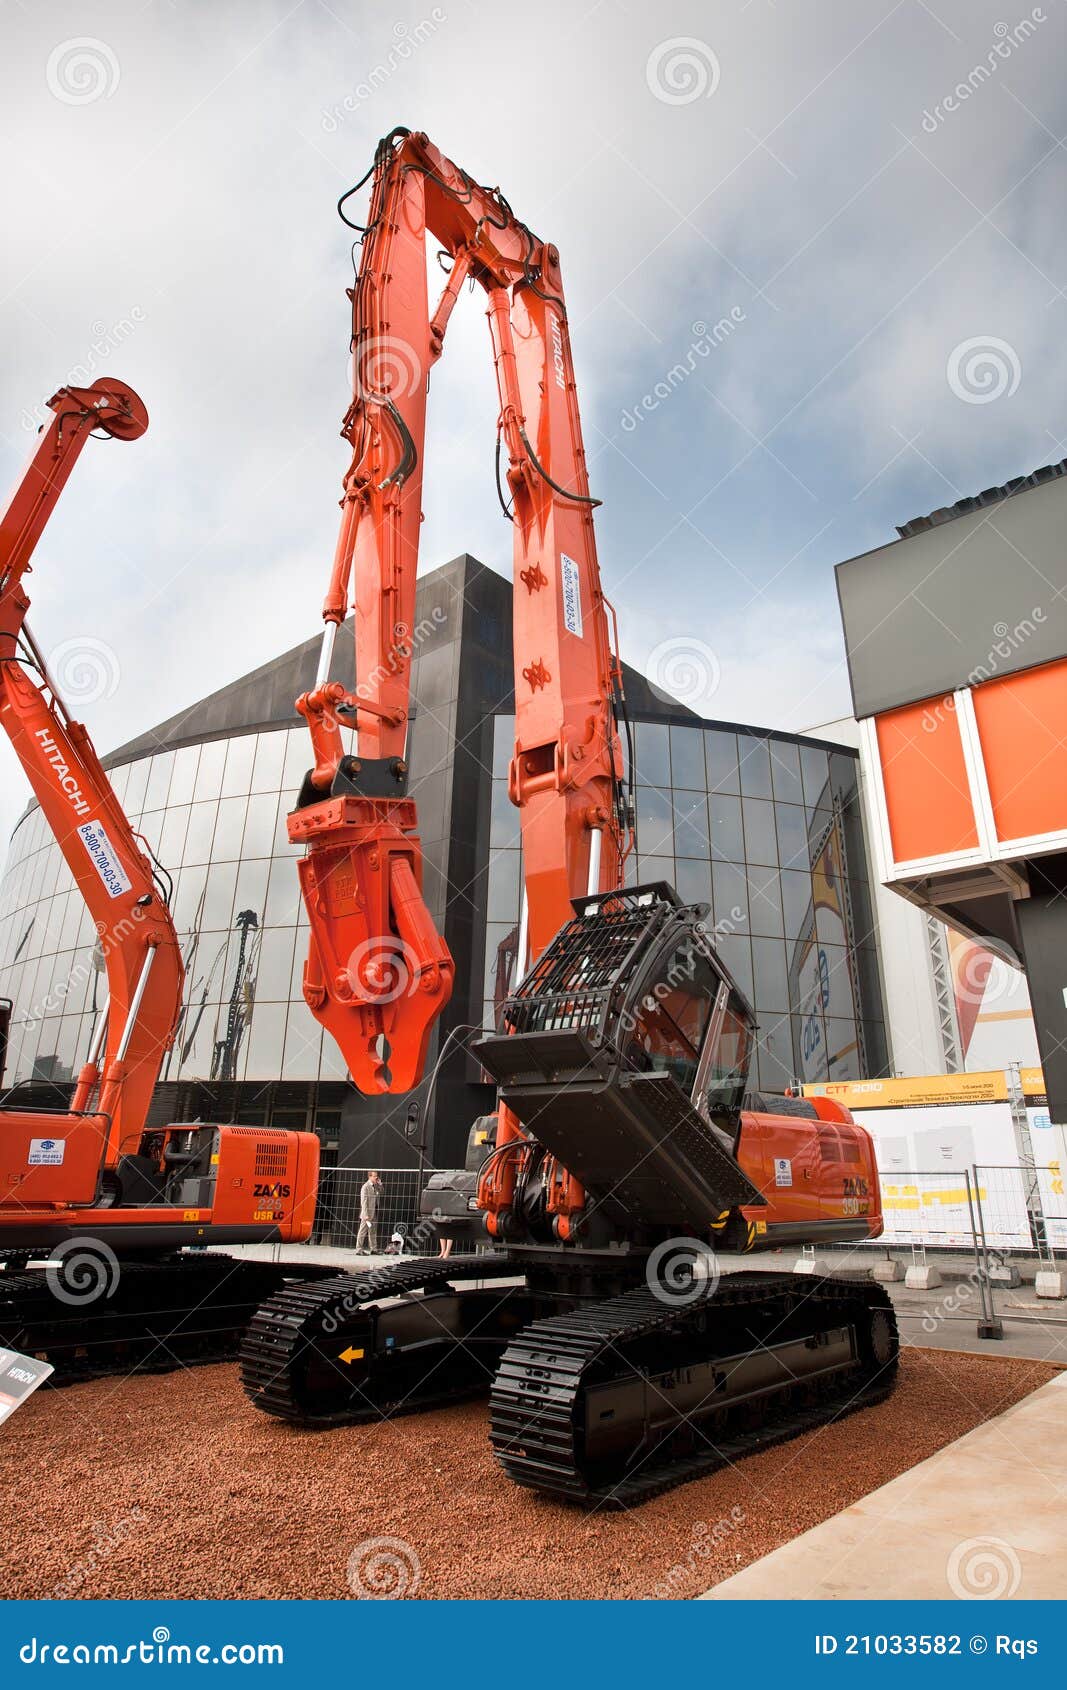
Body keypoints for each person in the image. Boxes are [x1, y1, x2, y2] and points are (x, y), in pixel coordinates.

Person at [356, 1170, 382, 1254]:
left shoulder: (376, 1185)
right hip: (367, 1214)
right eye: (374, 1176)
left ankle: (373, 1249)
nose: (376, 1178)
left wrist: (380, 1184)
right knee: (362, 1231)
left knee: (373, 1231)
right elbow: (363, 1202)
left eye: (376, 1176)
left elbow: (382, 1191)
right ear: (370, 1177)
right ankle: (359, 1249)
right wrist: (365, 1214)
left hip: (374, 1212)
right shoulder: (365, 1187)